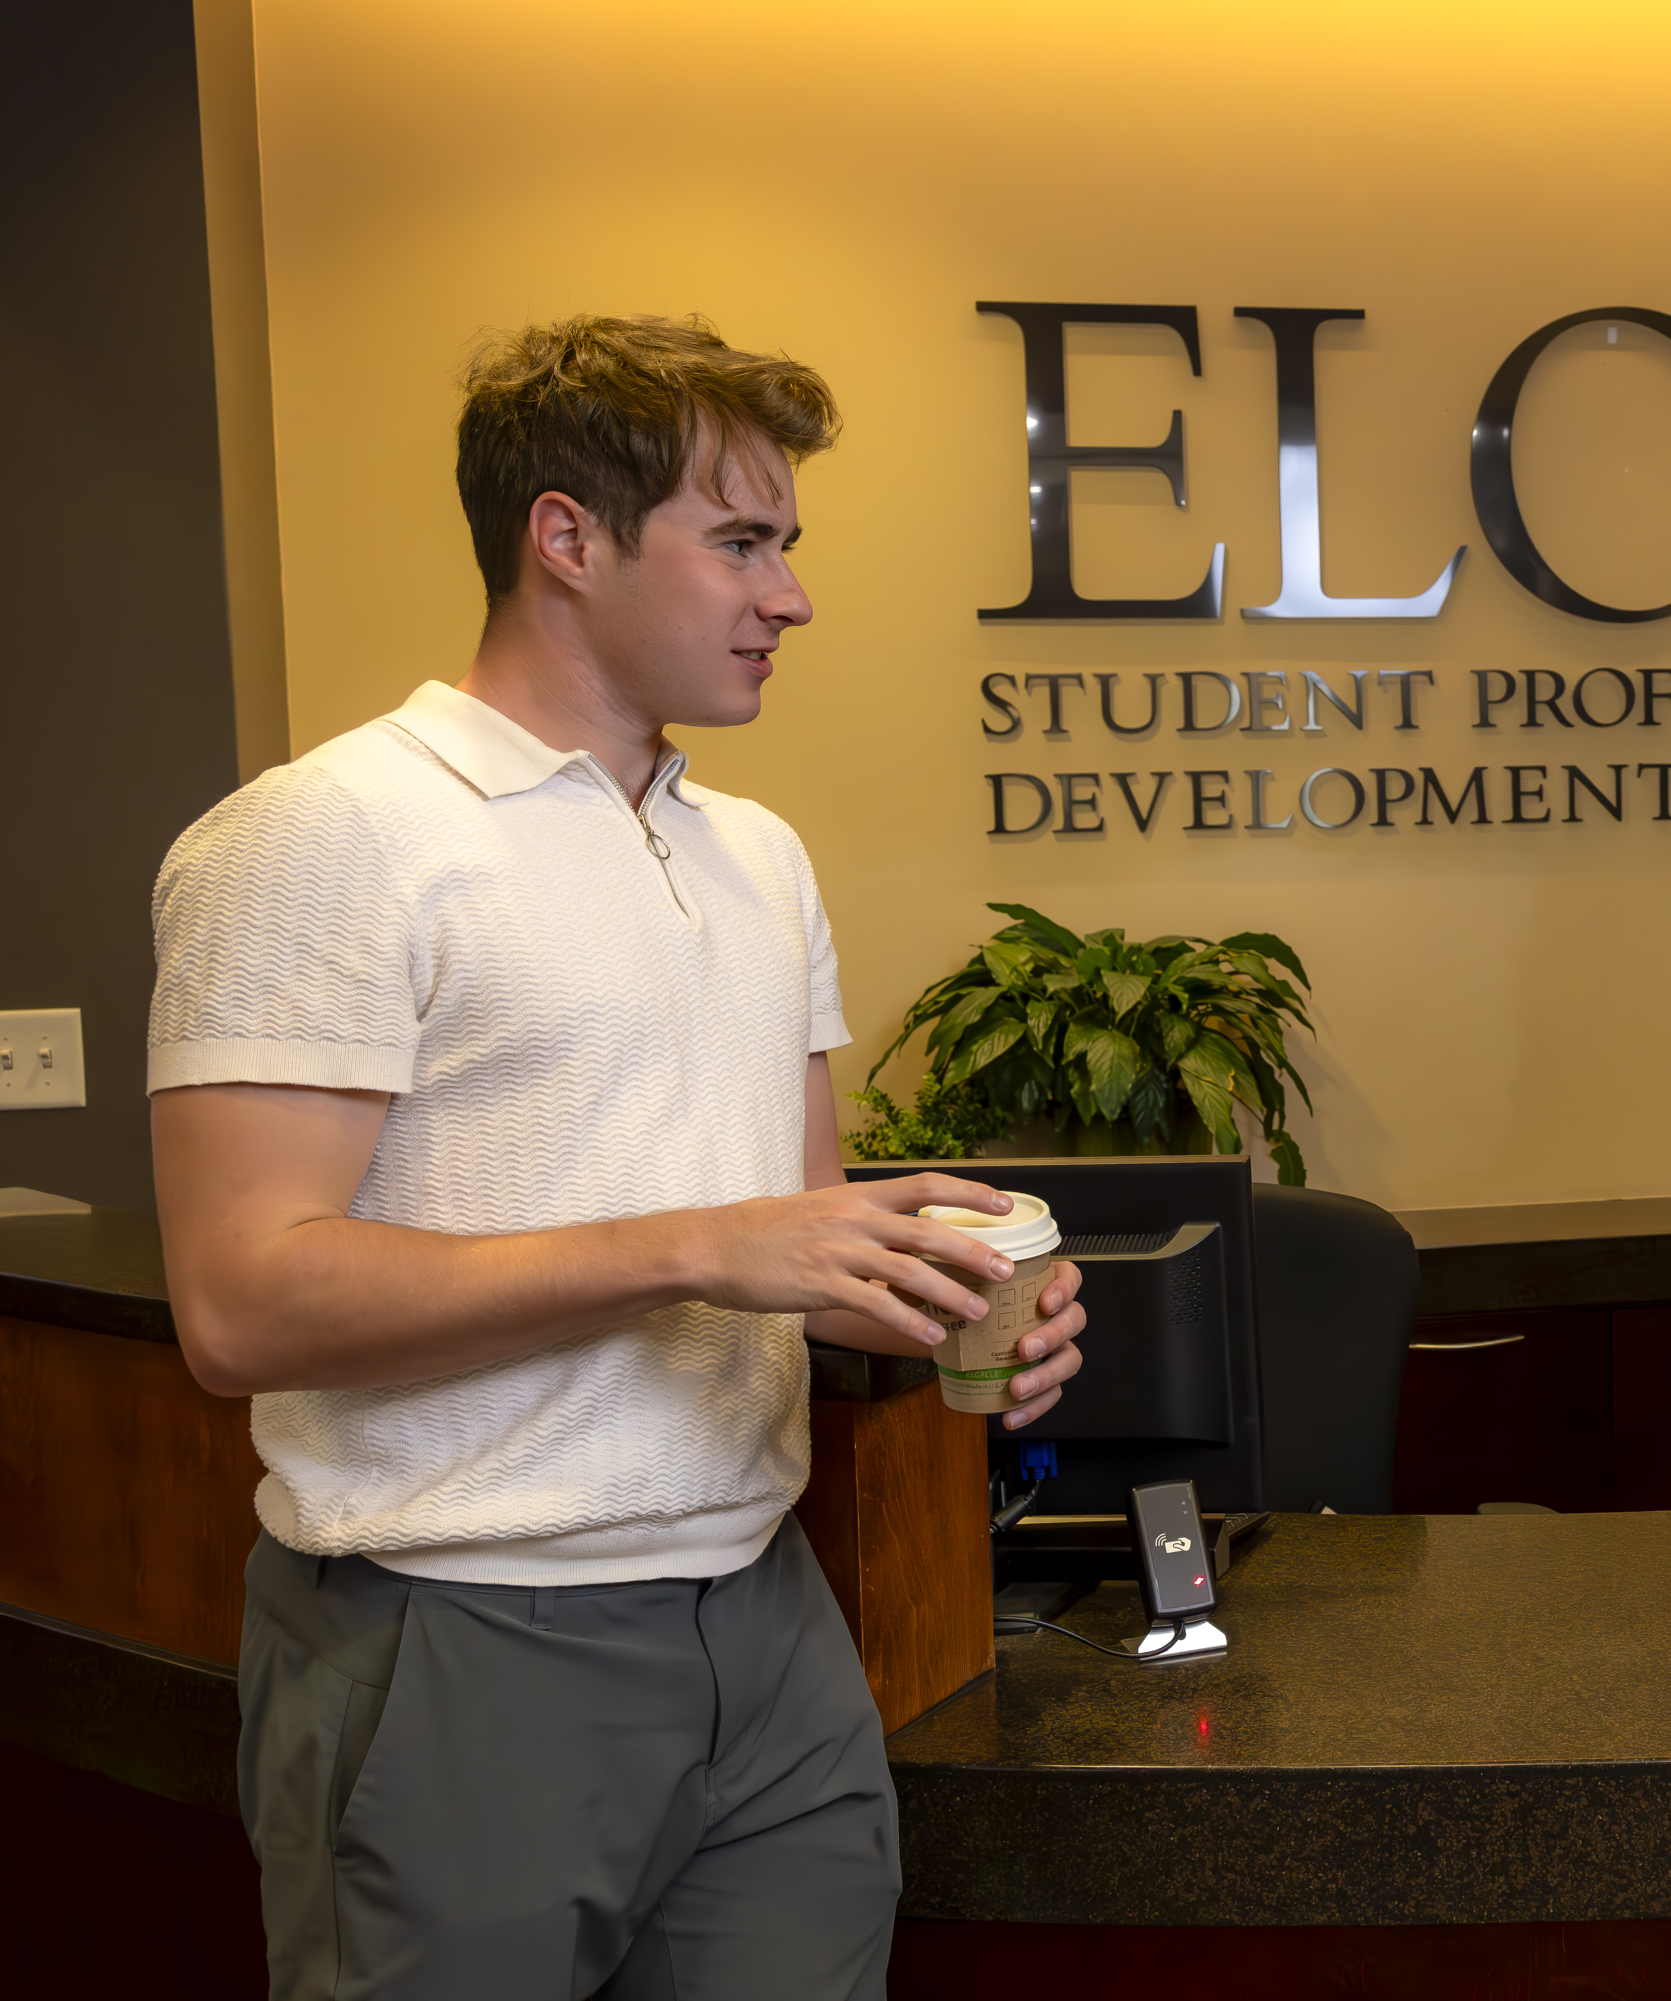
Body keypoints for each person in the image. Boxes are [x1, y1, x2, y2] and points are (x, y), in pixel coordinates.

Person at [147, 315, 1084, 2001]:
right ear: (564, 539)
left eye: (785, 546)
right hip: (458, 1631)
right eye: (740, 543)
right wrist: (700, 1244)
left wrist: (947, 1301)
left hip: (767, 1623)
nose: (788, 596)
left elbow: (796, 1242)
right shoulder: (328, 833)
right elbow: (241, 1304)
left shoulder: (756, 853)